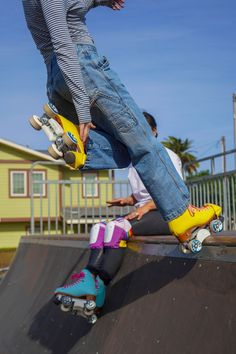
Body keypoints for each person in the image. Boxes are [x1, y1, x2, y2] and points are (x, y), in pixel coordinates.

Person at [22, 1, 221, 250]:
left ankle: (85, 147)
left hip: (55, 78)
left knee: (128, 150)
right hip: (82, 67)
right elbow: (63, 42)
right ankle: (182, 213)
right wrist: (83, 107)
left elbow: (70, 8)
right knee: (144, 141)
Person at [52, 112, 210, 310]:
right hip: (146, 213)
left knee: (117, 228)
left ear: (154, 131)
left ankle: (99, 285)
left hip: (168, 213)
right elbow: (143, 194)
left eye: (144, 129)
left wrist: (146, 206)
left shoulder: (167, 155)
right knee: (100, 228)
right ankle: (89, 279)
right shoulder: (135, 161)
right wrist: (128, 200)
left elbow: (175, 193)